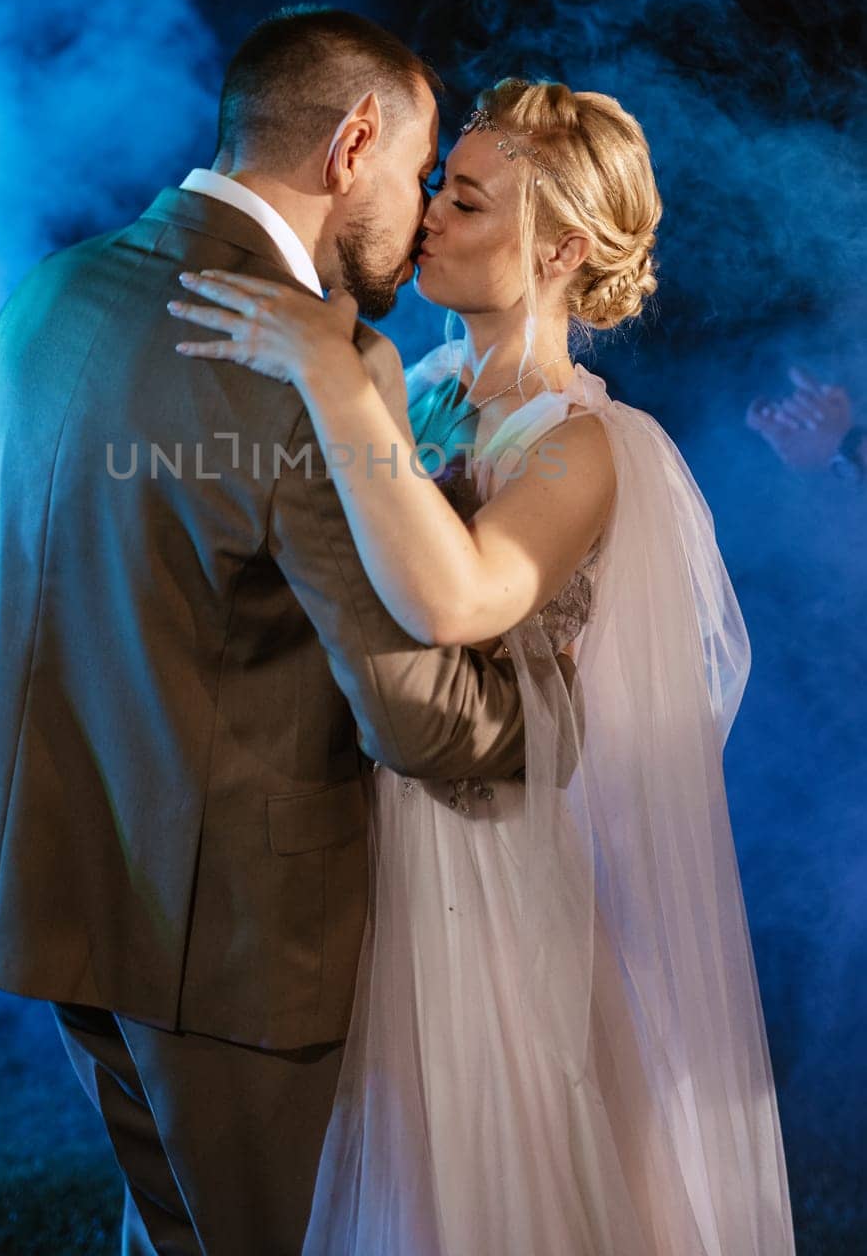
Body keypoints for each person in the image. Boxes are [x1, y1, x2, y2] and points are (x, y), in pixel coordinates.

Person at [0, 9, 572, 1256]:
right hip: (235, 941)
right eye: (416, 168)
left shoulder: (50, 295)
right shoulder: (303, 365)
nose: (422, 206)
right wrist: (555, 710)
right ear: (352, 146)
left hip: (65, 896)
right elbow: (419, 713)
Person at [172, 77, 797, 1254]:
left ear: (559, 249)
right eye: (437, 191)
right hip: (368, 834)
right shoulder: (414, 389)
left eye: (463, 200)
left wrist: (328, 377)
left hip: (489, 865)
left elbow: (459, 596)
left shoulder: (587, 445)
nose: (426, 220)